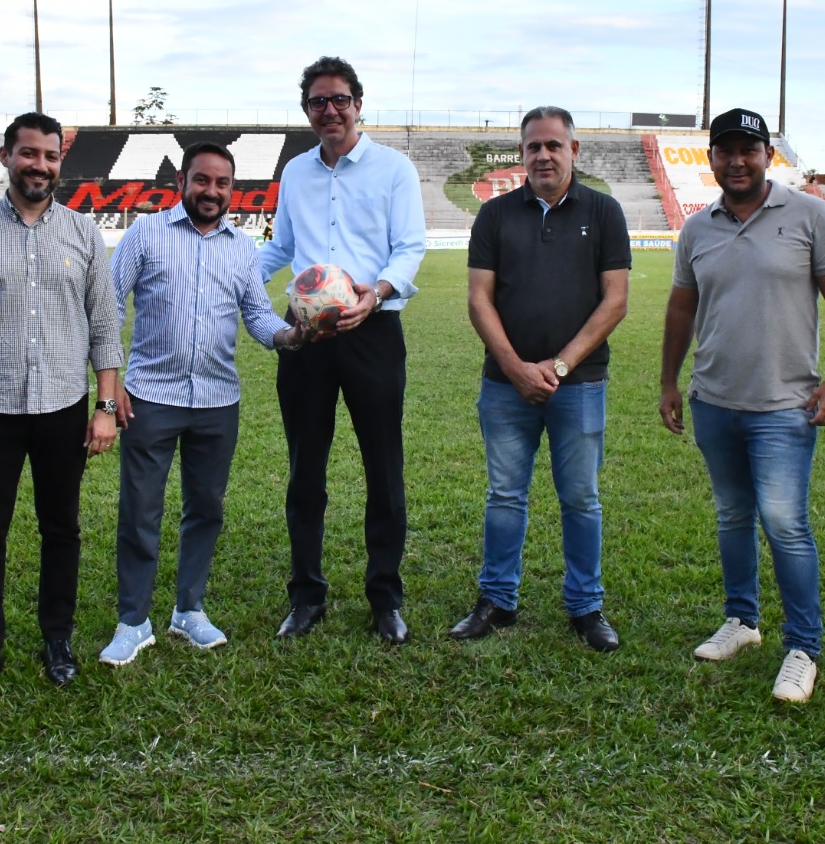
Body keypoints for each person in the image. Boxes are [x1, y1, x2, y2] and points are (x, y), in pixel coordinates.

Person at [659, 107, 825, 703]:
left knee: (785, 524)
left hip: (785, 406)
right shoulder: (699, 227)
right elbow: (680, 310)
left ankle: (803, 646)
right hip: (715, 399)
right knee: (731, 515)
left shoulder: (809, 214)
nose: (737, 161)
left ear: (770, 155)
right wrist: (669, 381)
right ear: (712, 158)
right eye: (726, 151)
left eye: (750, 150)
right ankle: (741, 621)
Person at [0, 113, 123, 698]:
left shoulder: (84, 234)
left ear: (61, 162)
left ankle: (56, 637)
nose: (40, 165)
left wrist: (106, 407)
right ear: (7, 156)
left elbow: (105, 327)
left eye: (50, 156)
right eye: (28, 153)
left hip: (65, 406)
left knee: (61, 527)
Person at [100, 143, 311, 666]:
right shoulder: (146, 234)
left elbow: (257, 315)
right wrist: (111, 386)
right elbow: (107, 303)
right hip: (150, 396)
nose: (212, 191)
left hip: (218, 401)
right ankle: (133, 620)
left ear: (231, 189)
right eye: (203, 180)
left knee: (206, 509)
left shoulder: (242, 248)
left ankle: (188, 609)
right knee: (141, 512)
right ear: (182, 181)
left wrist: (291, 336)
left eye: (222, 184)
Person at [257, 56, 426, 643]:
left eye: (339, 99)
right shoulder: (297, 173)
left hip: (371, 330)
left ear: (359, 103)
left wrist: (373, 295)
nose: (329, 110)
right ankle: (306, 596)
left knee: (384, 469)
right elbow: (280, 248)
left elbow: (409, 248)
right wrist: (226, 273)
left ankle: (385, 598)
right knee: (305, 470)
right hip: (305, 335)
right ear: (306, 110)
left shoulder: (393, 169)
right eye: (317, 102)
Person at [448, 106, 630, 651]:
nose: (543, 155)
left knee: (580, 497)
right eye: (533, 147)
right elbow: (479, 300)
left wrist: (557, 367)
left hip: (578, 385)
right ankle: (497, 600)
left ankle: (586, 606)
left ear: (574, 150)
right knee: (505, 495)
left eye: (554, 145)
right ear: (521, 153)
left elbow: (615, 301)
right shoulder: (496, 214)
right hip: (505, 385)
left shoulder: (603, 212)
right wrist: (515, 367)